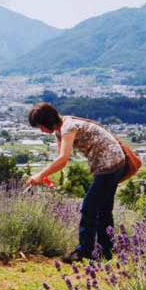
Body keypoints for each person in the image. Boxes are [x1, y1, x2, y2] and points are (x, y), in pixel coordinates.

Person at [26, 103, 126, 263]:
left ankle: (84, 252)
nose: (41, 131)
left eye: (40, 127)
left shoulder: (68, 127)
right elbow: (59, 158)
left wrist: (40, 175)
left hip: (109, 164)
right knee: (103, 209)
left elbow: (63, 160)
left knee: (89, 207)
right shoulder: (61, 128)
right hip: (115, 162)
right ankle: (105, 250)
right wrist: (44, 175)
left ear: (47, 122)